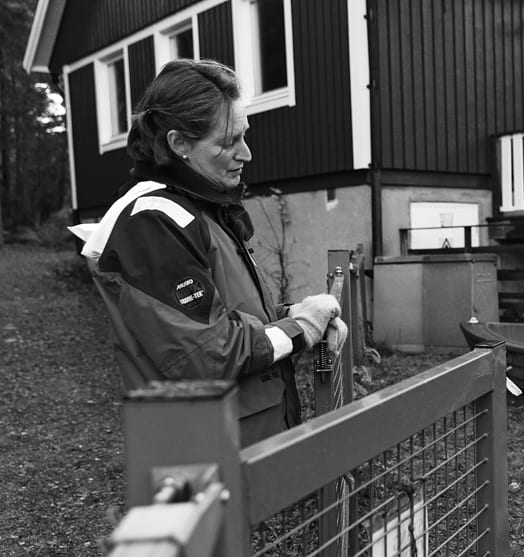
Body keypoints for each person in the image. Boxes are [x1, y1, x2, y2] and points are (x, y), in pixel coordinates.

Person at [74, 58, 346, 447]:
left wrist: (295, 315)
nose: (246, 154)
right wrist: (302, 330)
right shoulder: (152, 222)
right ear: (179, 143)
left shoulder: (198, 207)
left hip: (244, 445)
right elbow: (210, 353)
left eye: (244, 135)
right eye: (227, 141)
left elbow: (228, 318)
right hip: (206, 459)